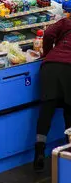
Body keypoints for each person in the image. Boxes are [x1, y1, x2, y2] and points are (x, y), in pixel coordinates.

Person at [33, 17, 71, 172]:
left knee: (46, 111)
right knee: (69, 112)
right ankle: (68, 154)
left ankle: (39, 152)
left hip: (50, 67)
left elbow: (48, 33)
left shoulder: (66, 21)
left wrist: (48, 53)